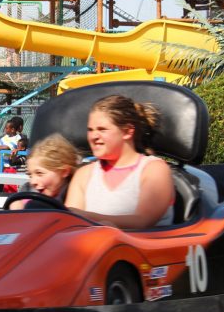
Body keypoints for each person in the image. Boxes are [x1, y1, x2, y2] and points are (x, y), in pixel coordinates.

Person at [64, 95, 176, 229]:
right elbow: (69, 224)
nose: (94, 136)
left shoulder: (154, 170)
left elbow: (143, 221)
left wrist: (85, 217)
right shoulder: (84, 174)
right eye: (90, 130)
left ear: (128, 131)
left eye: (102, 129)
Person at [0, 133, 80, 212]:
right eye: (30, 175)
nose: (33, 181)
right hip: (24, 235)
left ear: (64, 172)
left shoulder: (73, 193)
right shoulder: (28, 189)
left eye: (40, 173)